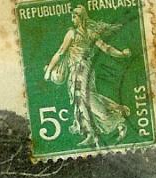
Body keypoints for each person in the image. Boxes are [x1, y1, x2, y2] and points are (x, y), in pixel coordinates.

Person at [43, 6, 132, 147]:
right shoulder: (76, 33)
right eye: (72, 16)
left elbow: (106, 48)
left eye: (76, 16)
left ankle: (110, 121)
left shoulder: (83, 33)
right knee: (84, 98)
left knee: (83, 97)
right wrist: (50, 69)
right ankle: (100, 124)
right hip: (79, 70)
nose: (73, 19)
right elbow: (61, 52)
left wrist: (121, 54)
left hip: (82, 70)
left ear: (82, 17)